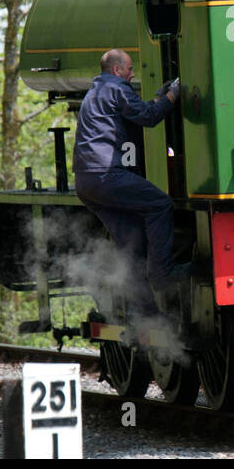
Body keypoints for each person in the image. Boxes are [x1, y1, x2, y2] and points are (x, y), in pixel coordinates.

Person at [73, 48, 186, 293]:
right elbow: (148, 117)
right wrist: (174, 95)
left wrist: (160, 97)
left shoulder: (96, 91)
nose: (132, 74)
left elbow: (137, 110)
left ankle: (143, 312)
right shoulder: (117, 87)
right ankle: (162, 273)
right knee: (160, 204)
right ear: (117, 69)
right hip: (106, 175)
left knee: (131, 244)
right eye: (130, 69)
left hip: (84, 182)